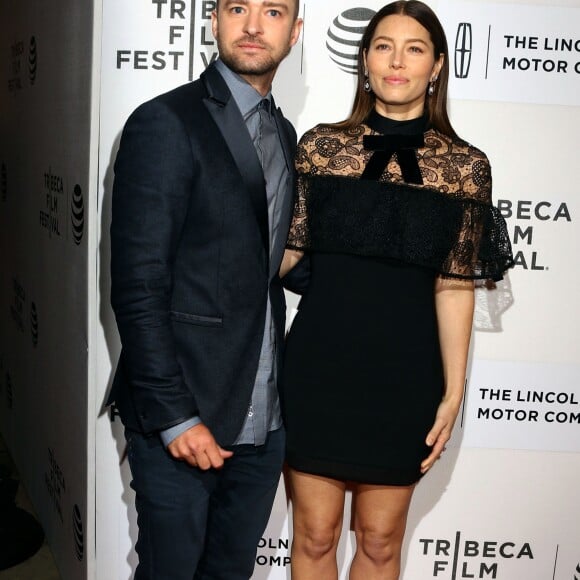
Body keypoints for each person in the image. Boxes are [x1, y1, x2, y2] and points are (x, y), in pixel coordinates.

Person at [280, 2, 514, 579]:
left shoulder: (463, 167)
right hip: (318, 370)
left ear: (436, 66)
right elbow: (283, 256)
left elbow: (455, 287)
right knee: (313, 535)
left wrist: (454, 391)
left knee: (382, 542)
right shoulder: (320, 148)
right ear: (364, 60)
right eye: (383, 46)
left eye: (414, 49)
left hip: (405, 379)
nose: (397, 61)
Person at [108, 1, 304, 578]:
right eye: (236, 7)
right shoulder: (165, 122)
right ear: (213, 21)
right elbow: (139, 285)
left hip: (262, 420)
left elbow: (272, 266)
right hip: (184, 417)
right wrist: (175, 417)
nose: (252, 25)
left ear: (296, 32)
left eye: (273, 11)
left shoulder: (284, 133)